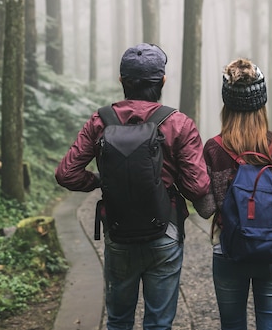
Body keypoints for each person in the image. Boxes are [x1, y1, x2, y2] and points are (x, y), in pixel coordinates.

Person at [55, 43, 210, 330]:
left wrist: (101, 182)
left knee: (118, 321)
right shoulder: (178, 123)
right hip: (165, 230)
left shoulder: (101, 120)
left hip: (118, 229)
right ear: (162, 81)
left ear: (122, 81)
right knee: (159, 324)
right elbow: (199, 187)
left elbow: (67, 174)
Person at [193, 58, 272, 330]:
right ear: (262, 103)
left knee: (232, 325)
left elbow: (205, 208)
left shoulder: (214, 149)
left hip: (228, 249)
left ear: (227, 104)